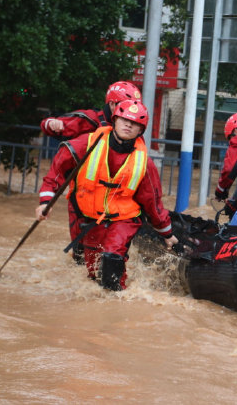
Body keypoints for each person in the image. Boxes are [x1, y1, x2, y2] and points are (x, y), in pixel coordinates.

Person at [36, 100, 178, 291]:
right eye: (124, 119)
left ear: (140, 130)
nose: (128, 125)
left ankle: (118, 304)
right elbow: (57, 171)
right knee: (93, 274)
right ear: (114, 120)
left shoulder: (145, 164)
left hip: (124, 219)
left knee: (112, 259)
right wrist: (46, 202)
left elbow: (153, 202)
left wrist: (166, 233)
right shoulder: (85, 144)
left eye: (135, 123)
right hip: (91, 219)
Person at [40, 80, 143, 264]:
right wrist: (53, 123)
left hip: (114, 201)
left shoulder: (132, 129)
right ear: (111, 105)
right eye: (122, 107)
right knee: (81, 252)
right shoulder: (88, 120)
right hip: (83, 195)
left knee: (113, 252)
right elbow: (50, 127)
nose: (129, 117)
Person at [40, 81, 142, 140]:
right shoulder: (90, 119)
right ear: (111, 104)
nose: (129, 112)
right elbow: (48, 125)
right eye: (124, 106)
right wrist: (52, 123)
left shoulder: (135, 130)